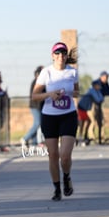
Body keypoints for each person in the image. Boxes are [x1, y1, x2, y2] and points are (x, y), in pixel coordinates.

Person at [32, 42, 79, 201]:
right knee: (53, 154)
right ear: (52, 56)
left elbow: (77, 91)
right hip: (49, 116)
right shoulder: (46, 72)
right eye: (57, 54)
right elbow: (35, 96)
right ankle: (57, 188)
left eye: (63, 53)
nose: (61, 56)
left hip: (68, 115)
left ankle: (66, 177)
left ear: (66, 56)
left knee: (65, 156)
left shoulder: (72, 72)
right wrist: (49, 94)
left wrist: (70, 93)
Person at [21, 65, 44, 147]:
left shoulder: (41, 82)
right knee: (38, 123)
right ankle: (25, 138)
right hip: (35, 106)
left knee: (38, 124)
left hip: (40, 106)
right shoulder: (36, 82)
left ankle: (33, 143)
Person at [77, 80, 104, 145]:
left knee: (89, 121)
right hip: (82, 107)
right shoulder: (92, 91)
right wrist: (100, 97)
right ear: (94, 85)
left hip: (86, 108)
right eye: (98, 85)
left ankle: (85, 135)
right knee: (82, 122)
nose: (99, 86)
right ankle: (80, 137)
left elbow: (101, 98)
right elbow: (98, 99)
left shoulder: (96, 91)